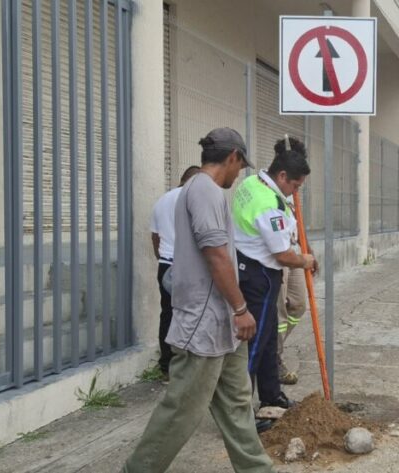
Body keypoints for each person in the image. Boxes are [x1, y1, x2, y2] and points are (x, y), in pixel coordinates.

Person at [123, 128, 273, 473]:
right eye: (240, 166)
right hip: (205, 322)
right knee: (182, 409)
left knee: (237, 404)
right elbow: (216, 255)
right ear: (233, 156)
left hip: (223, 326)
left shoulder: (202, 190)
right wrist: (240, 308)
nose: (238, 174)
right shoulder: (205, 191)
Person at [232, 137, 317, 421]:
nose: (295, 192)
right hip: (260, 276)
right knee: (254, 345)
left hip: (248, 266)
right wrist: (305, 260)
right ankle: (239, 412)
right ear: (282, 176)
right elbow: (282, 255)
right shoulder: (269, 203)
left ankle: (271, 397)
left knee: (267, 339)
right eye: (295, 186)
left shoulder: (251, 184)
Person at [149, 165, 201, 377]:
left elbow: (155, 236)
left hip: (166, 265)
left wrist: (162, 258)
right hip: (188, 266)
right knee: (192, 317)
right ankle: (187, 368)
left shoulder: (161, 201)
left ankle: (166, 367)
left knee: (168, 315)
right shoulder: (193, 199)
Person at [277, 201, 308, 386]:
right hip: (280, 255)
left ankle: (273, 350)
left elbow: (298, 225)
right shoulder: (269, 193)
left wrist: (307, 251)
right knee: (279, 313)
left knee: (298, 304)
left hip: (295, 252)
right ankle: (275, 359)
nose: (299, 186)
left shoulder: (290, 196)